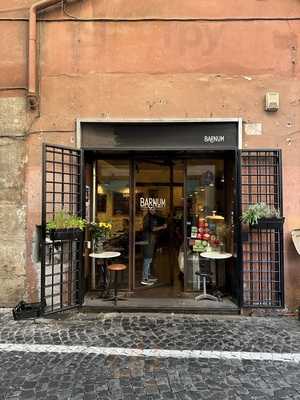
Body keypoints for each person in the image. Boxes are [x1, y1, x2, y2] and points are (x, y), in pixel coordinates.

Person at [141, 208, 167, 286]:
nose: (154, 210)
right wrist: (163, 227)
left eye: (155, 209)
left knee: (149, 259)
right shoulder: (148, 217)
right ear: (149, 209)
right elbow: (153, 229)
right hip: (148, 239)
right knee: (147, 259)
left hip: (150, 239)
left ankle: (148, 276)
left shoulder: (150, 217)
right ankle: (144, 279)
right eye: (153, 208)